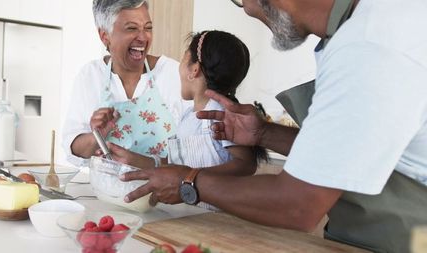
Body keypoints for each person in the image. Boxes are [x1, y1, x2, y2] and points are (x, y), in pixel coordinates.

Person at [120, 0, 427, 252]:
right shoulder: (359, 29)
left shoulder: (369, 46)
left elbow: (298, 206)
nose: (247, 10)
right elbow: (350, 152)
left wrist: (189, 183)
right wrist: (265, 134)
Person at [102, 30, 263, 209]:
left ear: (194, 70)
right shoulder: (188, 116)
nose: (178, 67)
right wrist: (133, 159)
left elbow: (246, 164)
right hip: (191, 215)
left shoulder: (219, 113)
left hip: (219, 218)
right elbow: (174, 166)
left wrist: (190, 178)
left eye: (184, 59)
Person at [62, 0, 190, 166]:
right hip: (105, 191)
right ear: (104, 36)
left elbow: (195, 154)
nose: (143, 37)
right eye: (131, 28)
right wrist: (97, 135)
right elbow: (73, 148)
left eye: (148, 28)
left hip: (163, 192)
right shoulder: (91, 76)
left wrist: (148, 163)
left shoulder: (172, 74)